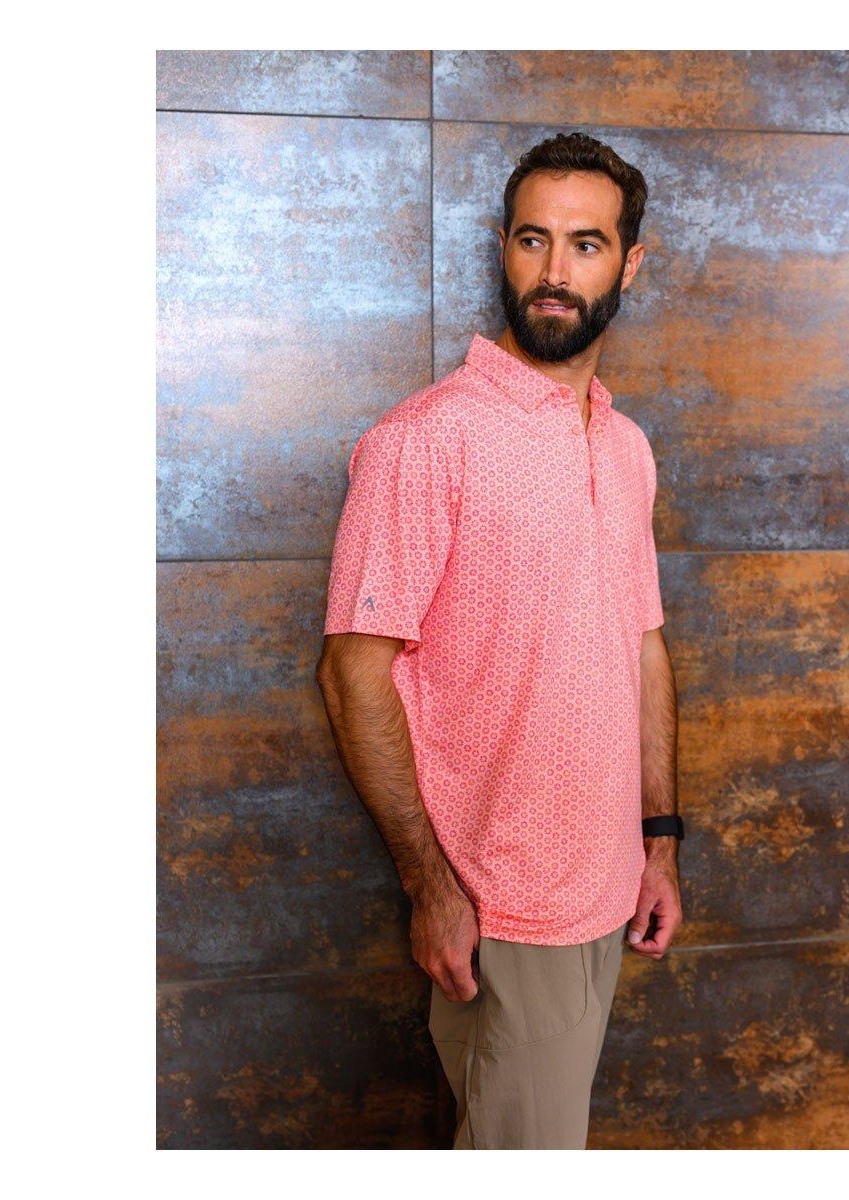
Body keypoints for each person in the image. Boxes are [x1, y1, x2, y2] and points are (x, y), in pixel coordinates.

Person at [315, 131, 683, 1150]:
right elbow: (352, 675)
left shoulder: (626, 444)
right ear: (505, 250)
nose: (554, 271)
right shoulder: (425, 439)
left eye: (585, 244)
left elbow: (642, 649)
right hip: (504, 909)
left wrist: (657, 844)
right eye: (532, 240)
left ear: (629, 264)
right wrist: (431, 888)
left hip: (608, 890)